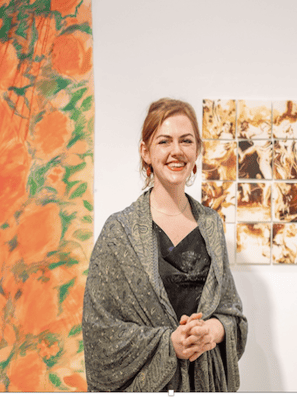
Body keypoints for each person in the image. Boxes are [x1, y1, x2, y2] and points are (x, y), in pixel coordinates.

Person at [82, 98, 247, 391]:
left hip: (206, 384)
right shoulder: (120, 233)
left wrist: (212, 331)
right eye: (164, 141)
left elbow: (232, 314)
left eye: (186, 141)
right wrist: (169, 343)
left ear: (197, 151)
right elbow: (99, 332)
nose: (177, 151)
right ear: (145, 152)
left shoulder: (211, 225)